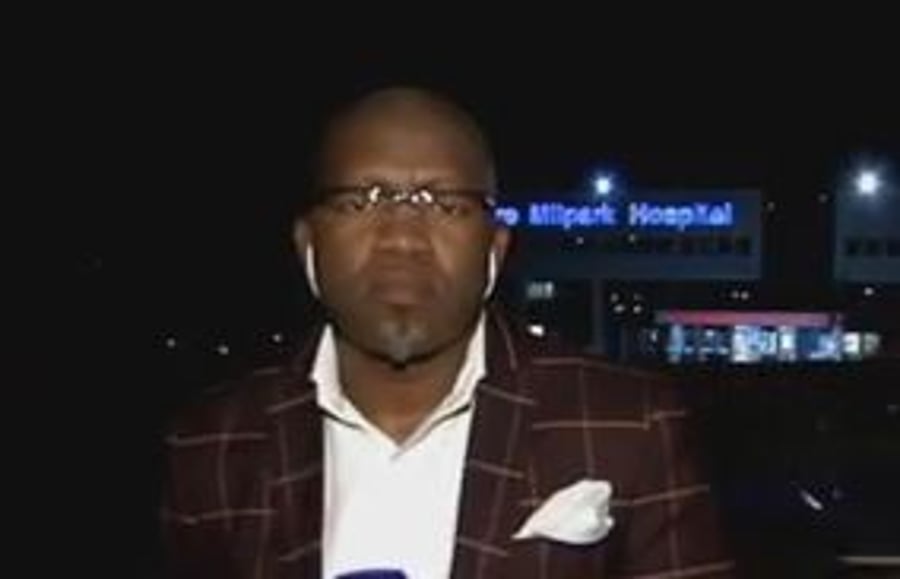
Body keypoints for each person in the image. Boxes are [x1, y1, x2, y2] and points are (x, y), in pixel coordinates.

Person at [160, 87, 735, 578]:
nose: (402, 237)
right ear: (307, 243)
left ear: (496, 249)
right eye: (362, 201)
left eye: (446, 204)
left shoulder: (633, 424)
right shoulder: (214, 445)